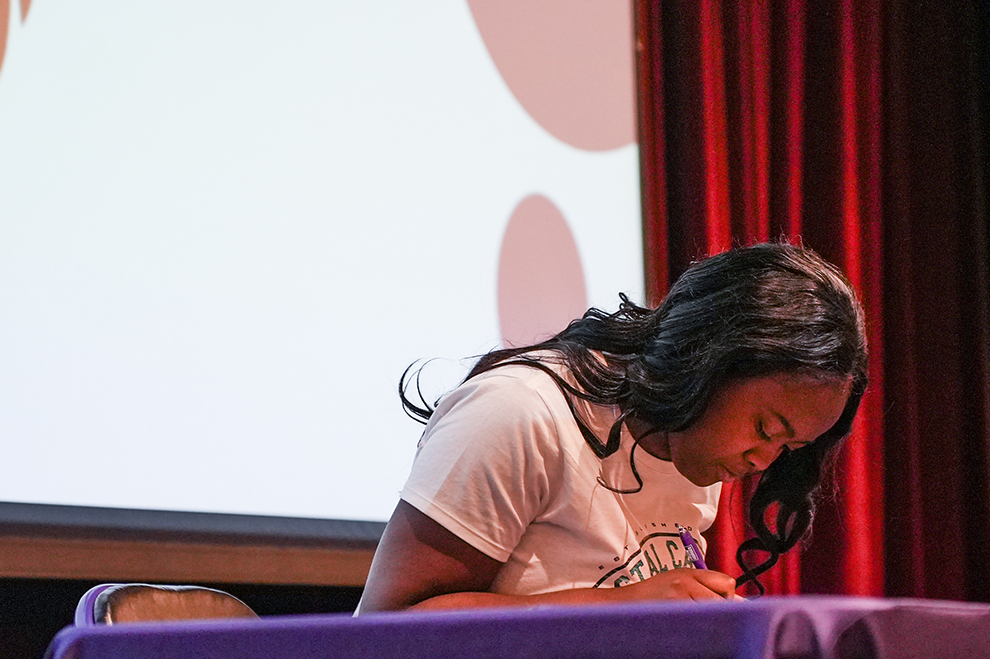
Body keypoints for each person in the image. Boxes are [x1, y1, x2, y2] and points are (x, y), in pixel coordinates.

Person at [357, 243, 868, 612]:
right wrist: (617, 609)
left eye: (788, 446)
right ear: (708, 360)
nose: (762, 461)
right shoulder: (523, 411)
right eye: (763, 427)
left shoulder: (693, 458)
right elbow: (389, 630)